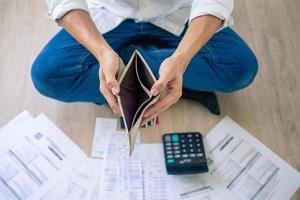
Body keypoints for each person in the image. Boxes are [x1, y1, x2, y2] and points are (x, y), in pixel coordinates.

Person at [31, 0, 258, 125]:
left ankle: (131, 70)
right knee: (48, 76)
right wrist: (102, 52)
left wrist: (181, 59)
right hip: (107, 14)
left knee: (240, 69)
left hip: (180, 13)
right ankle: (159, 77)